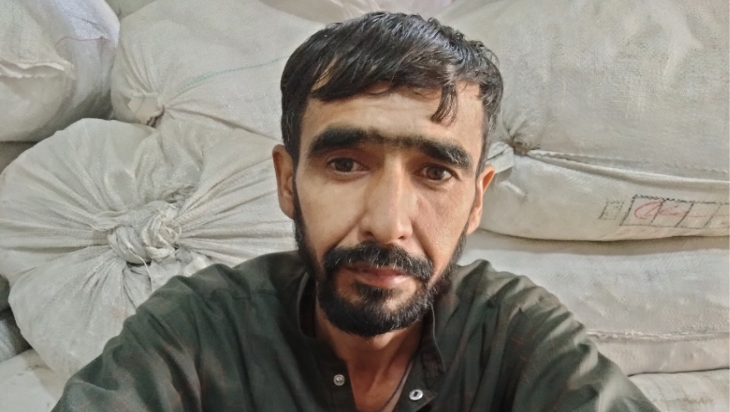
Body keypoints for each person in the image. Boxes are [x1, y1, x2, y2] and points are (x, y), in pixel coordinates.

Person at [52, 12, 659, 412]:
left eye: (435, 172)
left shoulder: (512, 330)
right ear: (288, 182)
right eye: (345, 164)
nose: (388, 223)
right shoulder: (199, 326)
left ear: (477, 199)